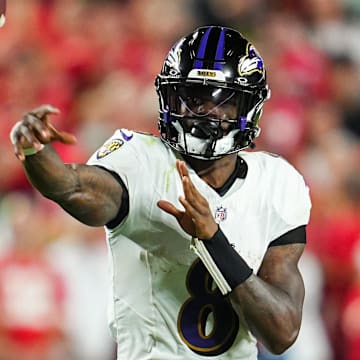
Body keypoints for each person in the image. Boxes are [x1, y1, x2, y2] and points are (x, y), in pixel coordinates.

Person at [10, 26, 311, 360]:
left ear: (248, 108)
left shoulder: (277, 183)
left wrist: (213, 240)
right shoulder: (142, 160)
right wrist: (35, 150)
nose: (204, 113)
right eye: (193, 97)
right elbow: (72, 187)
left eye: (222, 101)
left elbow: (282, 331)